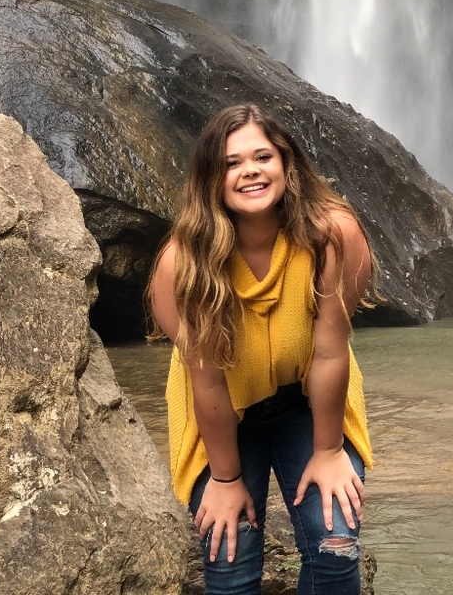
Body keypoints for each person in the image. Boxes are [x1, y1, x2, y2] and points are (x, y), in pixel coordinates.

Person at [147, 103, 375, 595]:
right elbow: (205, 378)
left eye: (262, 156)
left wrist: (329, 450)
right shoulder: (182, 264)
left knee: (335, 542)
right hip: (221, 408)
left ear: (286, 165)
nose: (249, 170)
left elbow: (331, 354)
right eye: (231, 163)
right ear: (211, 178)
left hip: (311, 402)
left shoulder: (332, 235)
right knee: (231, 555)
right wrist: (226, 481)